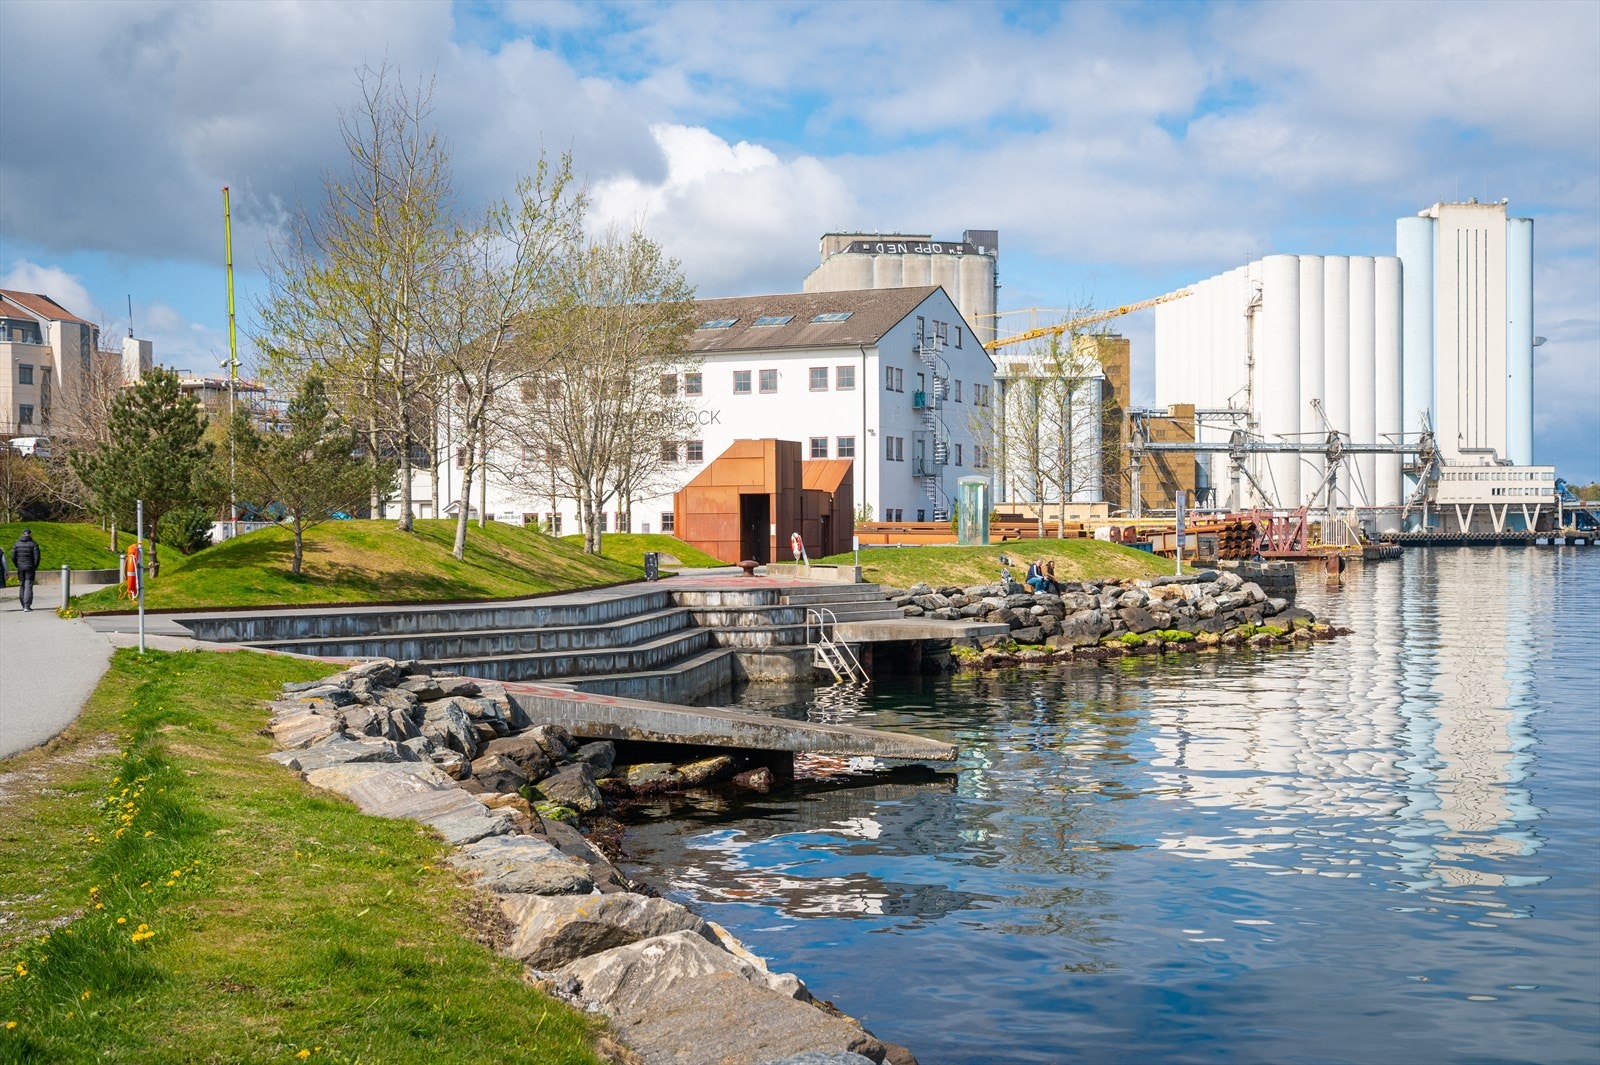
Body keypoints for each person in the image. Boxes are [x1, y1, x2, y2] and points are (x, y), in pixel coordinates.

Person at [11, 528, 41, 612]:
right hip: (30, 567)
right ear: (30, 534)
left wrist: (17, 565)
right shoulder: (34, 544)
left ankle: (23, 604)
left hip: (20, 567)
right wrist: (34, 566)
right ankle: (27, 605)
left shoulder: (16, 544)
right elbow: (37, 557)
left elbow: (13, 556)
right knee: (28, 585)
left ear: (22, 534)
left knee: (22, 585)